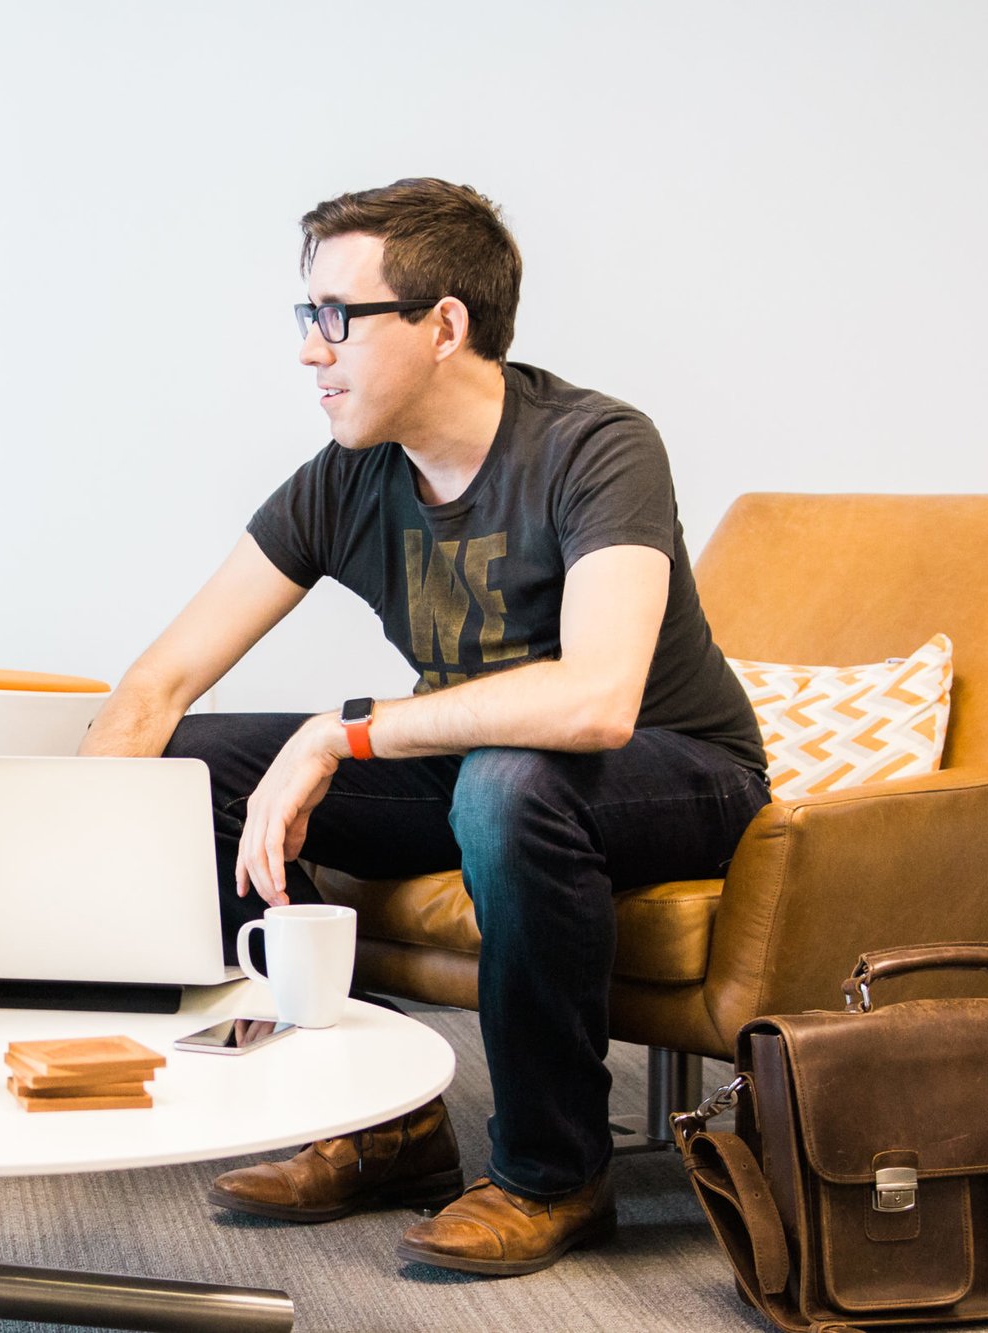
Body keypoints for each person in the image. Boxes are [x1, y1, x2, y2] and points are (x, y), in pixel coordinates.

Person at [79, 178, 768, 1276]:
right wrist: (71, 885)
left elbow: (595, 700)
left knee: (507, 781)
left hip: (677, 774)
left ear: (444, 324)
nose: (310, 349)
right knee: (194, 765)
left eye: (336, 316)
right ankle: (379, 1124)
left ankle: (552, 1172)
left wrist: (339, 732)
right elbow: (156, 686)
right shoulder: (346, 480)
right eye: (305, 314)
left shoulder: (596, 445)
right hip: (487, 771)